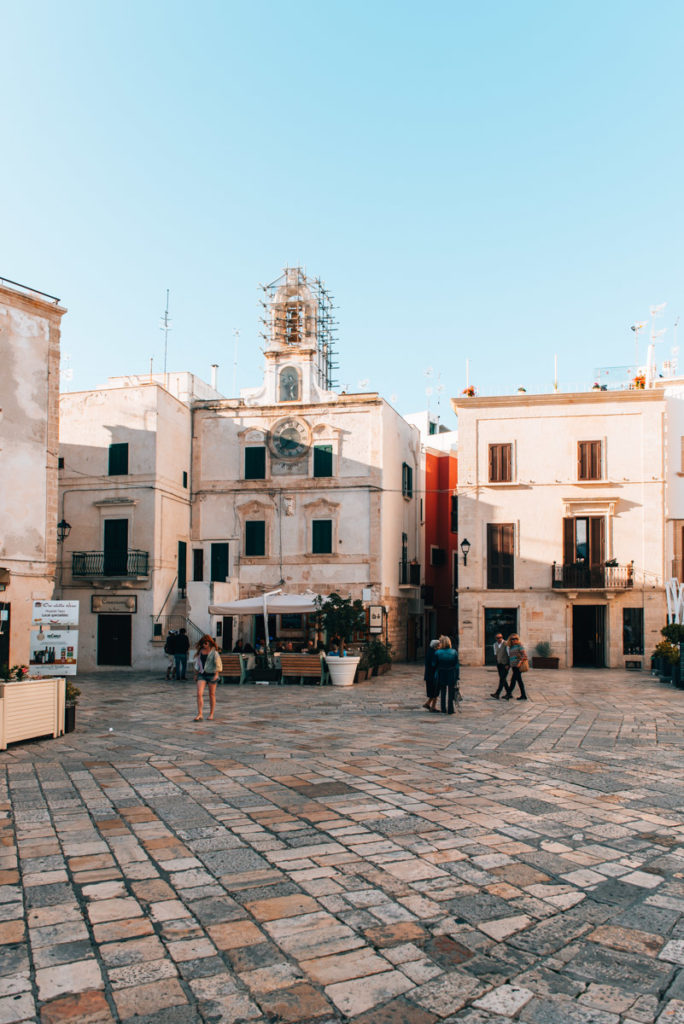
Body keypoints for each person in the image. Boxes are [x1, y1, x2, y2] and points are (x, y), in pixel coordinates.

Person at [193, 635, 222, 721]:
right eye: (202, 643)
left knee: (211, 694)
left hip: (212, 674)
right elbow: (198, 664)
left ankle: (211, 714)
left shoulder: (214, 653)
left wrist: (216, 675)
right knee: (199, 693)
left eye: (205, 643)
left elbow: (218, 664)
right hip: (202, 674)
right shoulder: (200, 652)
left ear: (209, 643)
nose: (203, 645)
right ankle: (200, 714)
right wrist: (196, 674)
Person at [434, 635, 460, 714]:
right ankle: (450, 709)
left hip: (441, 672)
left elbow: (434, 664)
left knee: (443, 691)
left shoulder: (438, 652)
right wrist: (457, 676)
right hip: (451, 673)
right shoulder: (454, 652)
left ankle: (443, 708)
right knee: (451, 691)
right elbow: (456, 665)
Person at [507, 634, 528, 700]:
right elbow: (511, 657)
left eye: (516, 638)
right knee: (519, 680)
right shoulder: (511, 647)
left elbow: (524, 655)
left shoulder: (520, 646)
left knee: (513, 680)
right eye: (513, 639)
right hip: (513, 666)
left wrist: (520, 663)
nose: (515, 640)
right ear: (510, 640)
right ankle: (523, 695)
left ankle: (508, 694)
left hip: (518, 666)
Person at [490, 633, 510, 699]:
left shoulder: (506, 644)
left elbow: (509, 654)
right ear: (496, 638)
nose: (499, 639)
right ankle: (509, 693)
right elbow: (495, 654)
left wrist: (508, 664)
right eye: (498, 638)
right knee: (502, 679)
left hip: (505, 664)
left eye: (500, 637)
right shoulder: (495, 645)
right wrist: (497, 662)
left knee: (502, 679)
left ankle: (497, 693)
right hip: (499, 664)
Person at [423, 639, 440, 712]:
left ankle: (428, 703)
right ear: (436, 646)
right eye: (439, 645)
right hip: (432, 676)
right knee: (435, 691)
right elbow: (433, 664)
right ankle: (433, 707)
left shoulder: (430, 652)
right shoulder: (434, 653)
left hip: (429, 675)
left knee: (433, 692)